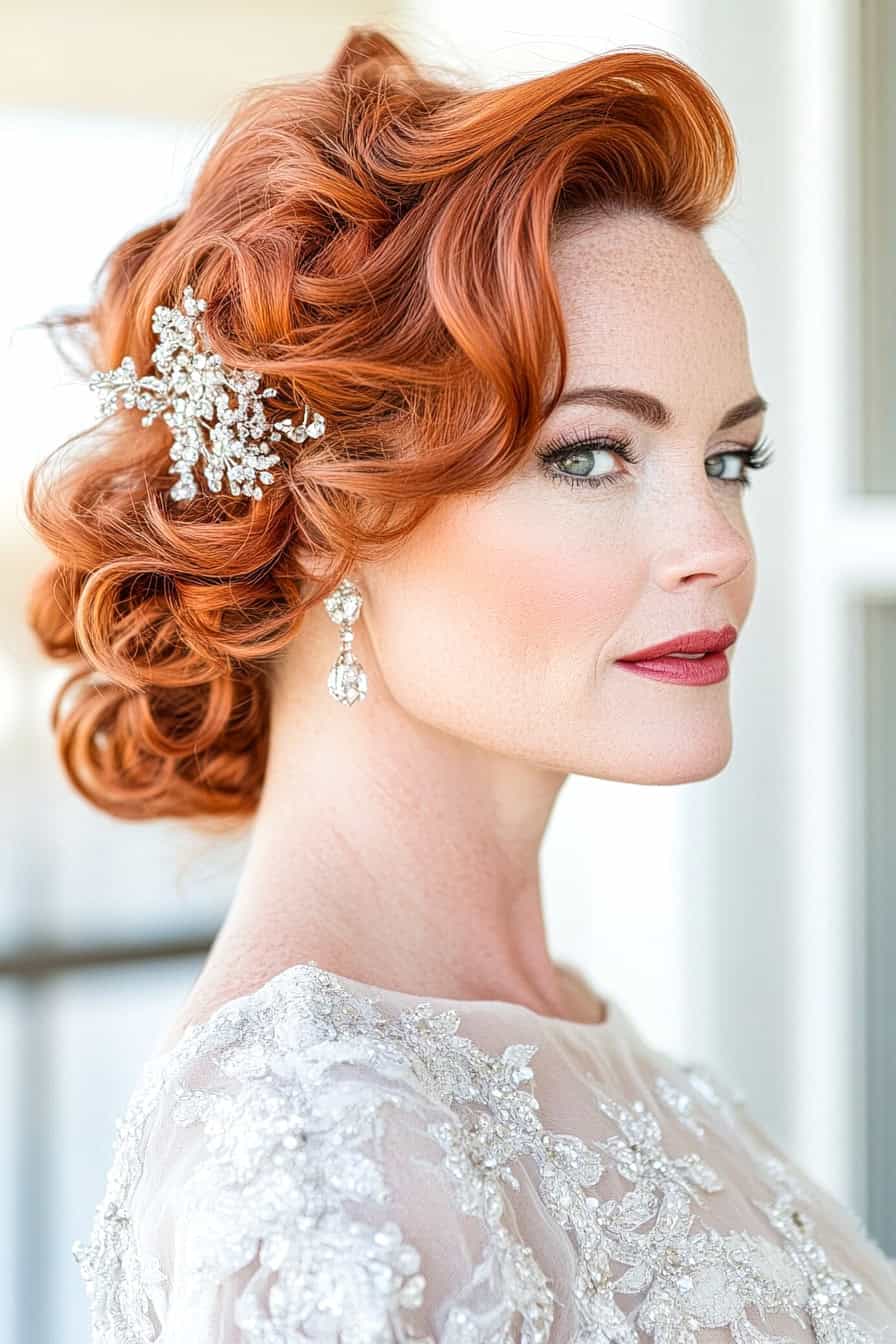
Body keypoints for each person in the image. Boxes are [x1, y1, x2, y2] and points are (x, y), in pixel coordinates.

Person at [25, 25, 896, 1344]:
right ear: (320, 519)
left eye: (732, 461)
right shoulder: (317, 1154)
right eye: (594, 457)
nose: (719, 546)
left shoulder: (569, 1031)